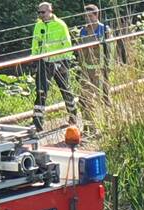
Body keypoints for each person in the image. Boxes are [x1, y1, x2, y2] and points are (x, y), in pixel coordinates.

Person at [31, 2, 78, 131]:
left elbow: (68, 45)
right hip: (44, 61)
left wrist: (63, 61)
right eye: (39, 12)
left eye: (43, 12)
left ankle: (73, 115)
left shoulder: (60, 25)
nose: (40, 15)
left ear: (50, 11)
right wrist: (34, 61)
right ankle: (37, 121)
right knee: (41, 91)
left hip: (60, 61)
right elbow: (35, 44)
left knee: (65, 89)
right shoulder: (38, 25)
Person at [77, 4, 111, 116]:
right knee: (84, 98)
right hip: (86, 70)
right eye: (85, 17)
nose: (87, 19)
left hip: (100, 69)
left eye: (90, 16)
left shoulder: (104, 29)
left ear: (97, 15)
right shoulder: (82, 31)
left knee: (103, 97)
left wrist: (108, 67)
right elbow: (80, 52)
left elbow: (111, 50)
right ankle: (89, 125)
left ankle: (108, 121)